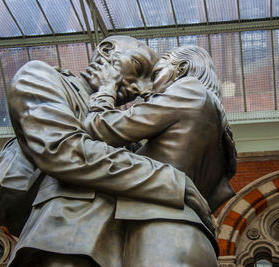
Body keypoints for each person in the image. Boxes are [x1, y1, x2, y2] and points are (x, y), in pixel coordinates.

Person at [5, 36, 213, 267]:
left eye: (150, 78)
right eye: (138, 67)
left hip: (124, 249)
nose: (143, 88)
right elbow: (64, 151)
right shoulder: (40, 77)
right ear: (106, 51)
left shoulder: (121, 125)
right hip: (64, 242)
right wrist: (171, 181)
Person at [83, 45, 237, 267]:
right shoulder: (217, 131)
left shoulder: (188, 90)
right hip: (191, 236)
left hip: (161, 233)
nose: (148, 88)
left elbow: (100, 129)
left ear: (181, 68)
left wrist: (105, 91)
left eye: (156, 74)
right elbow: (159, 163)